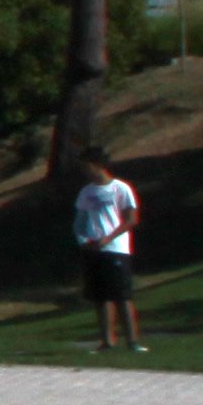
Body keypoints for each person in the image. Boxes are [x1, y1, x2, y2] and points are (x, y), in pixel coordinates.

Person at [68, 147, 144, 355]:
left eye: (87, 166)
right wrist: (83, 240)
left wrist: (108, 238)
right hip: (94, 250)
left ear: (98, 164)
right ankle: (107, 341)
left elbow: (131, 219)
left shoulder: (120, 188)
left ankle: (132, 341)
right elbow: (80, 220)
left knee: (122, 295)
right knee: (101, 297)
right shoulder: (87, 192)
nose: (85, 170)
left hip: (116, 249)